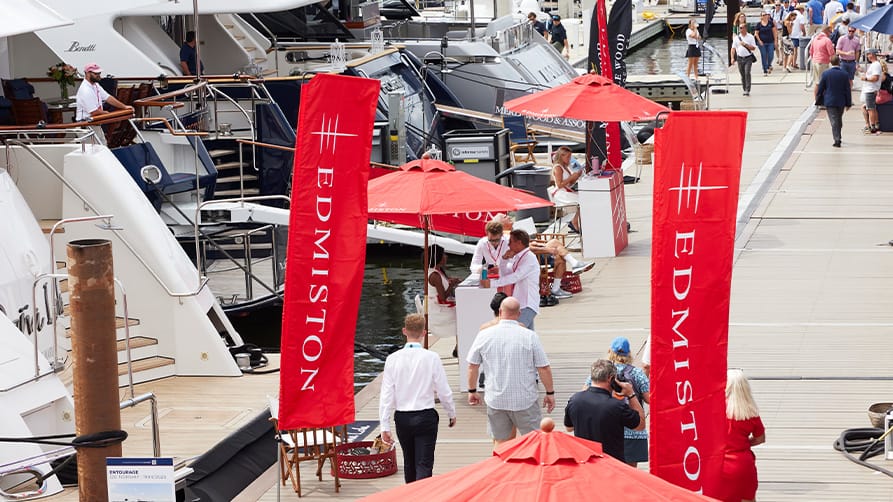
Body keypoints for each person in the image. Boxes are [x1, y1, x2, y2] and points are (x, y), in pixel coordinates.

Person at [466, 296, 555, 447]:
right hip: (525, 399)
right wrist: (550, 393)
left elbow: (472, 365)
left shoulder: (484, 335)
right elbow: (543, 367)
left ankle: (502, 469)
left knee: (501, 444)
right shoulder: (529, 336)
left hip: (496, 399)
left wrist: (472, 390)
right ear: (519, 314)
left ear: (500, 312)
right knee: (534, 443)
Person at [379, 313, 456, 483]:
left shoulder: (392, 359)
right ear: (424, 333)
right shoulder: (432, 357)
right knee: (424, 463)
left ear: (404, 331)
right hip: (425, 415)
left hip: (402, 417)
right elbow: (443, 390)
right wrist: (451, 412)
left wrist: (384, 424)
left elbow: (386, 394)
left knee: (409, 462)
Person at [581, 337, 651, 466]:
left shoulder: (600, 373)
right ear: (629, 353)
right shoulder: (637, 374)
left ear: (610, 352)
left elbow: (585, 394)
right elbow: (649, 399)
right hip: (633, 432)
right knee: (630, 474)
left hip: (607, 429)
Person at [564, 359, 645, 462]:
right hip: (611, 466)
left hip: (586, 463)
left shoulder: (574, 400)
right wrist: (631, 394)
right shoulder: (617, 406)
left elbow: (569, 428)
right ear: (610, 379)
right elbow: (640, 425)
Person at [715, 369, 766, 502]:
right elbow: (760, 438)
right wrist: (743, 443)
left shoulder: (716, 410)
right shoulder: (750, 411)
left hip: (721, 464)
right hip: (744, 463)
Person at [479, 229, 540, 329]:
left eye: (510, 242)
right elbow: (505, 273)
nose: (508, 245)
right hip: (521, 303)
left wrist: (492, 284)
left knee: (517, 333)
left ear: (519, 243)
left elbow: (515, 277)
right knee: (527, 336)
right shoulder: (518, 257)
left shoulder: (529, 259)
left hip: (527, 304)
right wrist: (503, 259)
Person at [816, 55, 853, 147]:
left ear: (830, 62)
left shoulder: (826, 74)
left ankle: (837, 139)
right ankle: (838, 135)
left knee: (834, 120)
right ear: (839, 62)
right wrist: (848, 102)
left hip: (830, 100)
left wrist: (818, 98)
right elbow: (847, 89)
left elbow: (821, 88)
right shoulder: (844, 74)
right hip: (841, 101)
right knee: (838, 119)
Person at [426, 244, 458, 344]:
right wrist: (451, 285)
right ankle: (459, 345)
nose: (446, 256)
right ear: (438, 256)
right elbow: (443, 297)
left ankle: (459, 345)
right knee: (464, 314)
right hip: (439, 311)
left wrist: (451, 282)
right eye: (444, 254)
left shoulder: (438, 271)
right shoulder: (435, 275)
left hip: (440, 306)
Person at [549, 146, 582, 232]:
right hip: (561, 194)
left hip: (566, 191)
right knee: (583, 200)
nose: (569, 159)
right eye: (568, 157)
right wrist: (571, 177)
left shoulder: (565, 167)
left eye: (570, 157)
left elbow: (569, 183)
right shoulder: (558, 167)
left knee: (584, 198)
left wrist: (576, 176)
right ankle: (574, 221)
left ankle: (575, 221)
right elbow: (559, 185)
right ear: (561, 156)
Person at [859, 48, 885, 134]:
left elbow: (875, 78)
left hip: (870, 89)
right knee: (872, 108)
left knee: (870, 109)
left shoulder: (876, 65)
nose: (867, 56)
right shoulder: (874, 64)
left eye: (868, 54)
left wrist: (865, 78)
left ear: (872, 55)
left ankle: (872, 126)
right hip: (871, 89)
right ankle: (876, 125)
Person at [732, 24, 758, 96]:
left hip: (748, 58)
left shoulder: (750, 37)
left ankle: (747, 89)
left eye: (742, 28)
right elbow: (733, 48)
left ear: (745, 28)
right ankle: (744, 88)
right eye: (739, 28)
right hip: (739, 58)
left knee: (747, 73)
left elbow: (753, 48)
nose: (741, 29)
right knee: (742, 74)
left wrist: (745, 44)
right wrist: (732, 58)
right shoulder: (736, 38)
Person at [809, 26, 836, 94]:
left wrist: (814, 58)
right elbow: (831, 53)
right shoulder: (827, 40)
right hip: (823, 62)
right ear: (826, 31)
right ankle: (821, 99)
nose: (831, 34)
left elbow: (811, 51)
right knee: (823, 82)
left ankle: (816, 100)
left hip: (815, 61)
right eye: (830, 32)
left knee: (817, 82)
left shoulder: (815, 39)